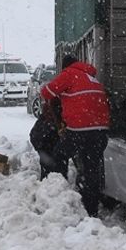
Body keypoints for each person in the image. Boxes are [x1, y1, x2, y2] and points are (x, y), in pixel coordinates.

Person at [40, 54, 109, 216]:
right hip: (100, 130)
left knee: (58, 157)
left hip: (80, 129)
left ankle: (59, 195)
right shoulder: (92, 78)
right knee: (91, 169)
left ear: (65, 67)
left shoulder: (69, 74)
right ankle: (91, 210)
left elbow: (47, 92)